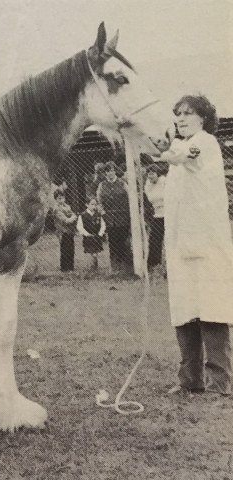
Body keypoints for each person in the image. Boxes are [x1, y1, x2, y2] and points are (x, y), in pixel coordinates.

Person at [157, 94, 233, 396]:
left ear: (203, 118)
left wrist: (165, 148)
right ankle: (190, 380)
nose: (181, 118)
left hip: (208, 244)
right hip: (180, 245)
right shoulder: (179, 153)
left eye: (188, 113)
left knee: (211, 308)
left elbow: (183, 154)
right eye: (178, 114)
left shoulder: (205, 143)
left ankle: (219, 383)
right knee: (184, 309)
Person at [96, 161, 132, 272]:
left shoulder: (122, 183)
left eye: (112, 170)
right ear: (105, 173)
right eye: (107, 171)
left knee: (124, 242)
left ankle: (126, 268)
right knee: (113, 243)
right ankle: (115, 268)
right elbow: (99, 201)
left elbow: (130, 197)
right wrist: (103, 214)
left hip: (123, 218)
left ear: (115, 171)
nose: (110, 173)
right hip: (110, 219)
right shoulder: (102, 185)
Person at [144, 163, 166, 270]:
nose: (150, 176)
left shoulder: (164, 182)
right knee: (154, 239)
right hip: (157, 215)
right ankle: (154, 264)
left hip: (168, 214)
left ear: (157, 174)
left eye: (152, 174)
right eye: (148, 174)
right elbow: (150, 198)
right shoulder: (148, 185)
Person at [77, 197, 105, 271]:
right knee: (90, 252)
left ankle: (95, 267)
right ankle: (91, 267)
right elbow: (79, 227)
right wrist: (86, 234)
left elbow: (103, 225)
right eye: (92, 204)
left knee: (96, 252)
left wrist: (100, 233)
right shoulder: (82, 215)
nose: (94, 206)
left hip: (97, 236)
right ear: (87, 204)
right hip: (88, 237)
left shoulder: (98, 215)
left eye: (95, 204)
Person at [53, 189, 77, 272]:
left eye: (62, 198)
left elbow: (73, 214)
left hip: (70, 231)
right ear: (56, 199)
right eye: (59, 198)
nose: (61, 200)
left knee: (71, 249)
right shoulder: (56, 209)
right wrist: (72, 217)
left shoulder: (67, 206)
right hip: (62, 232)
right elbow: (65, 220)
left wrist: (72, 217)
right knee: (65, 249)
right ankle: (64, 268)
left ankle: (71, 267)